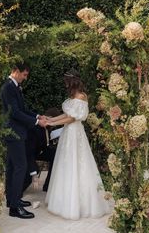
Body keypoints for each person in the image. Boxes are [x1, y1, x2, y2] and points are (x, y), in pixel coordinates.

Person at [45, 69, 110, 220]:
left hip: (75, 134)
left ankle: (79, 205)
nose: (65, 84)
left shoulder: (81, 96)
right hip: (68, 133)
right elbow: (67, 115)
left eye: (66, 81)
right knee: (66, 164)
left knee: (78, 164)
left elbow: (72, 119)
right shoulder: (73, 95)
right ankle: (63, 201)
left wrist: (52, 123)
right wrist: (51, 120)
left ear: (72, 81)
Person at [0, 62, 46, 219]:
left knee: (13, 167)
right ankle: (15, 208)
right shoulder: (8, 87)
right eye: (24, 75)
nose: (25, 78)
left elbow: (23, 109)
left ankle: (13, 200)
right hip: (14, 133)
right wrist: (36, 122)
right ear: (15, 71)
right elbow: (15, 113)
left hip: (16, 132)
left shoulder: (14, 87)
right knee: (20, 167)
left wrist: (37, 116)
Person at [23, 108, 61, 192]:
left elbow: (45, 144)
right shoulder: (35, 129)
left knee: (55, 154)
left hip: (39, 151)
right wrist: (34, 174)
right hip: (26, 154)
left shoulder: (46, 129)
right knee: (33, 170)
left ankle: (48, 186)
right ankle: (17, 191)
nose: (55, 125)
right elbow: (29, 153)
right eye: (54, 122)